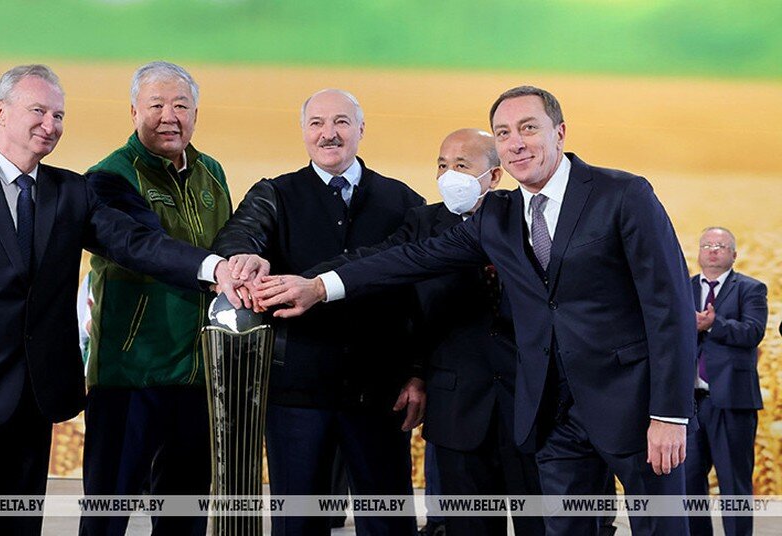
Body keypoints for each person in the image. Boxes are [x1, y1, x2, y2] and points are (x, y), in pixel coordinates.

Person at [255, 86, 697, 536]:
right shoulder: (498, 216)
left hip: (634, 409)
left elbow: (671, 309)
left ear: (559, 132)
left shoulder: (622, 194)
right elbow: (407, 258)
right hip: (551, 418)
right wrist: (319, 286)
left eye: (529, 128)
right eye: (505, 133)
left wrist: (670, 414)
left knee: (660, 527)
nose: (517, 142)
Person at [0, 64, 253, 536]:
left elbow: (134, 242)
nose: (49, 125)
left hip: (32, 406)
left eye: (58, 115)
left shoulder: (70, 191)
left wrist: (214, 268)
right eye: (38, 111)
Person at [308, 128, 544, 536]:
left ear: (496, 175)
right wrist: (310, 283)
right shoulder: (423, 223)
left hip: (530, 409)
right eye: (442, 164)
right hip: (458, 410)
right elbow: (384, 269)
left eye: (462, 165)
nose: (449, 174)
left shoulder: (532, 218)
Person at [213, 88, 425, 536]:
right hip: (295, 396)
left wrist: (417, 373)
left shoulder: (403, 201)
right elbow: (240, 236)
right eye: (317, 124)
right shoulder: (275, 193)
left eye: (342, 122)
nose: (329, 134)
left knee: (389, 524)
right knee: (298, 523)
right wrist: (243, 259)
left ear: (361, 130)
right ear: (304, 132)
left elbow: (421, 297)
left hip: (378, 395)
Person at [78, 61, 239, 536]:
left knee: (185, 508)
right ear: (133, 112)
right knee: (110, 508)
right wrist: (216, 269)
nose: (169, 116)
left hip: (197, 370)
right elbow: (142, 247)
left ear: (196, 113)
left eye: (181, 105)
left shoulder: (211, 171)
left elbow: (228, 240)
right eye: (156, 105)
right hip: (131, 371)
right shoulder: (108, 176)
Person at [686, 227, 767, 536]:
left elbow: (752, 332)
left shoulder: (751, 289)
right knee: (689, 484)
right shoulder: (684, 288)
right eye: (707, 244)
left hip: (733, 401)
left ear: (734, 254)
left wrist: (712, 324)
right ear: (699, 252)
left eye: (721, 245)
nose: (713, 250)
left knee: (734, 484)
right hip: (691, 405)